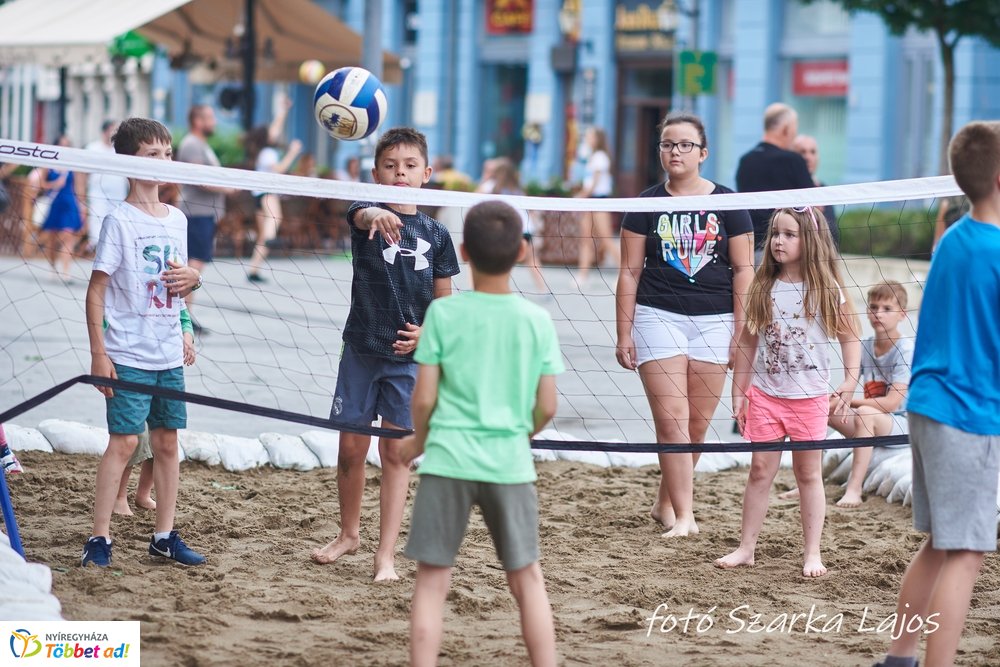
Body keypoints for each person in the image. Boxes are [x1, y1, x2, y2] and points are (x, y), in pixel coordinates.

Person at [400, 200, 561, 667]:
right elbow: (547, 406)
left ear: (464, 251)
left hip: (448, 458)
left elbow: (425, 399)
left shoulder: (443, 315)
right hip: (508, 462)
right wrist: (518, 432)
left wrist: (417, 442)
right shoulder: (536, 321)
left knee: (432, 581)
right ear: (520, 253)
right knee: (527, 579)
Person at [875, 121, 1000, 667]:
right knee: (968, 552)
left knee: (943, 544)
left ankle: (900, 657)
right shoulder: (993, 251)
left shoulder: (956, 238)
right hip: (967, 412)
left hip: (930, 406)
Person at [310, 127, 461, 581]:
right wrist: (375, 209)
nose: (400, 173)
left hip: (409, 360)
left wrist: (428, 337)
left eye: (410, 166)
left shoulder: (436, 233)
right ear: (375, 173)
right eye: (391, 166)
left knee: (397, 456)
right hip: (361, 350)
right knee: (351, 451)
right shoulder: (367, 219)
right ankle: (349, 533)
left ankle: (386, 556)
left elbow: (445, 303)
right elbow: (358, 212)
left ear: (427, 173)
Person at [616, 113, 754, 537]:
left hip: (717, 319)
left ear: (703, 153)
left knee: (696, 423)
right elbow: (628, 272)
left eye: (684, 145)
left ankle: (665, 502)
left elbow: (745, 270)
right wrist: (623, 332)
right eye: (667, 144)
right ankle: (685, 516)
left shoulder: (728, 204)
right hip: (657, 315)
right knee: (672, 418)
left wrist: (741, 332)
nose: (675, 151)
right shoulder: (645, 205)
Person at [81, 117, 205, 568]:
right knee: (125, 442)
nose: (163, 161)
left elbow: (179, 283)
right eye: (153, 154)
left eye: (168, 154)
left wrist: (195, 281)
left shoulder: (178, 219)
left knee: (168, 442)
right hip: (128, 352)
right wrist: (100, 352)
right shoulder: (118, 220)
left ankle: (164, 536)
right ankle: (99, 538)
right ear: (130, 162)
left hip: (167, 350)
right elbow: (95, 292)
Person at [714, 206, 860, 578]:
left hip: (810, 398)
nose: (778, 241)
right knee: (760, 470)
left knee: (807, 474)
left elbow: (849, 335)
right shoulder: (763, 286)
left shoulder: (826, 289)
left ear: (808, 240)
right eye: (775, 233)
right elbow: (747, 343)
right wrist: (739, 392)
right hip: (765, 394)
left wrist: (850, 378)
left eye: (789, 234)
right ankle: (746, 548)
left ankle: (813, 553)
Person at [782, 280, 913, 507]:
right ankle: (809, 481)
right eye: (873, 307)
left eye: (887, 309)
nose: (878, 314)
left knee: (863, 412)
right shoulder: (865, 345)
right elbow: (848, 386)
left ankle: (854, 489)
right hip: (873, 418)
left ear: (902, 314)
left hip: (904, 423)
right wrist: (832, 400)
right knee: (820, 408)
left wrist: (848, 401)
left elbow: (892, 404)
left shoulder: (906, 349)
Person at [113, 312, 197, 515]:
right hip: (133, 366)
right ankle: (119, 497)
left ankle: (143, 494)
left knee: (162, 440)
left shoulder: (173, 295)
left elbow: (184, 318)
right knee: (134, 438)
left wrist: (188, 338)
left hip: (165, 367)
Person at [735, 104, 815, 263]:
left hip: (752, 252)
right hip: (786, 253)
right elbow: (813, 208)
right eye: (793, 132)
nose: (793, 137)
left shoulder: (745, 161)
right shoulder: (793, 160)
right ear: (785, 130)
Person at [177, 105, 232, 330]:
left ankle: (186, 316)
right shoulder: (192, 144)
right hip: (196, 214)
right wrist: (229, 188)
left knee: (197, 263)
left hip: (204, 214)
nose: (215, 122)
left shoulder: (201, 145)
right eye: (210, 117)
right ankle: (184, 318)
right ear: (197, 121)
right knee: (194, 264)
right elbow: (200, 179)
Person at [246, 95, 303, 283]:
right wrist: (293, 152)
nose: (276, 133)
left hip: (257, 195)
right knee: (275, 219)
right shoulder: (268, 152)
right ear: (266, 137)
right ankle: (272, 238)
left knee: (263, 235)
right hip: (266, 193)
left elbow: (276, 127)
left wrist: (283, 110)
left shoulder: (263, 150)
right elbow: (279, 169)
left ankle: (253, 270)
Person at [480, 157, 547, 293]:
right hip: (526, 230)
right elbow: (531, 211)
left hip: (511, 229)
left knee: (503, 262)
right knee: (531, 261)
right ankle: (543, 289)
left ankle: (497, 290)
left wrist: (485, 175)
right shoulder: (517, 189)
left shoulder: (494, 187)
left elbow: (475, 196)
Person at [575, 127, 618, 287]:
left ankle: (625, 272)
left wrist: (581, 195)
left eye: (590, 136)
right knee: (585, 238)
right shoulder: (591, 156)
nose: (587, 138)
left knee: (606, 239)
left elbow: (594, 183)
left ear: (597, 138)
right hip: (589, 202)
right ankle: (582, 274)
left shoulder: (600, 157)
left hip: (599, 201)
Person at [39, 135, 84, 282]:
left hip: (70, 203)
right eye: (62, 144)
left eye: (67, 145)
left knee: (68, 236)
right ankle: (52, 267)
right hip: (54, 203)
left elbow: (78, 187)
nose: (65, 147)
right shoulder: (49, 163)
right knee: (52, 239)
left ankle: (66, 271)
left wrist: (82, 205)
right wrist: (54, 185)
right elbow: (41, 184)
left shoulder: (73, 165)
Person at [82, 120, 129, 254]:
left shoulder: (121, 150)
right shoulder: (93, 148)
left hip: (118, 194)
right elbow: (82, 174)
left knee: (116, 223)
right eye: (112, 130)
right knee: (97, 219)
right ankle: (96, 246)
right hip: (98, 193)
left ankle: (113, 250)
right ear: (105, 131)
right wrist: (81, 194)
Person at [792, 134, 840, 247]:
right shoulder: (785, 191)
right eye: (802, 152)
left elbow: (833, 233)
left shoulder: (824, 191)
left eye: (812, 152)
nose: (808, 157)